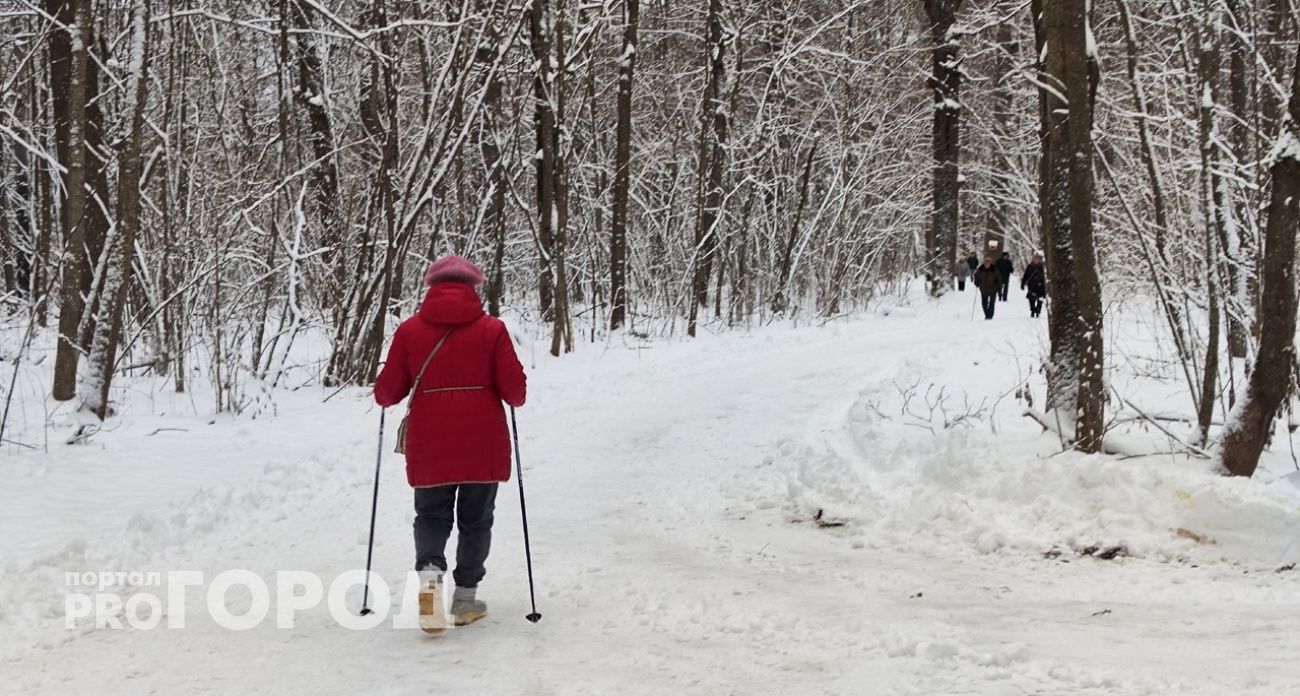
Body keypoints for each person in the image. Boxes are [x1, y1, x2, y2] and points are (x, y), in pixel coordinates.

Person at [374, 255, 527, 632]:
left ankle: (429, 580)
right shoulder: (493, 330)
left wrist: (383, 392)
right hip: (483, 439)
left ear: (431, 288)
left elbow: (388, 392)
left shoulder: (409, 331)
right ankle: (465, 600)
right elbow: (516, 392)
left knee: (430, 515)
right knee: (476, 520)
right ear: (474, 287)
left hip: (431, 441)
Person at [974, 256, 1002, 320]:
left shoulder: (994, 269)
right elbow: (976, 276)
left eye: (988, 262)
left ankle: (990, 316)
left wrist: (999, 288)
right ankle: (987, 314)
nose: (987, 264)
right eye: (986, 262)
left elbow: (999, 279)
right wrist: (976, 282)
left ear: (990, 263)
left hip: (993, 289)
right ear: (984, 262)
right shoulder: (980, 269)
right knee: (984, 303)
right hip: (983, 289)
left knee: (992, 303)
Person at [1021, 254, 1046, 318]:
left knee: (1040, 299)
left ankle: (1038, 310)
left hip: (1040, 285)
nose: (1036, 260)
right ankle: (1032, 310)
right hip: (1032, 285)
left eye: (1037, 259)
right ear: (1032, 259)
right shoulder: (1029, 266)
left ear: (1039, 260)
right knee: (1031, 299)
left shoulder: (1042, 267)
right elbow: (1026, 275)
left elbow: (1045, 276)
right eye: (1034, 259)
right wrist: (1022, 283)